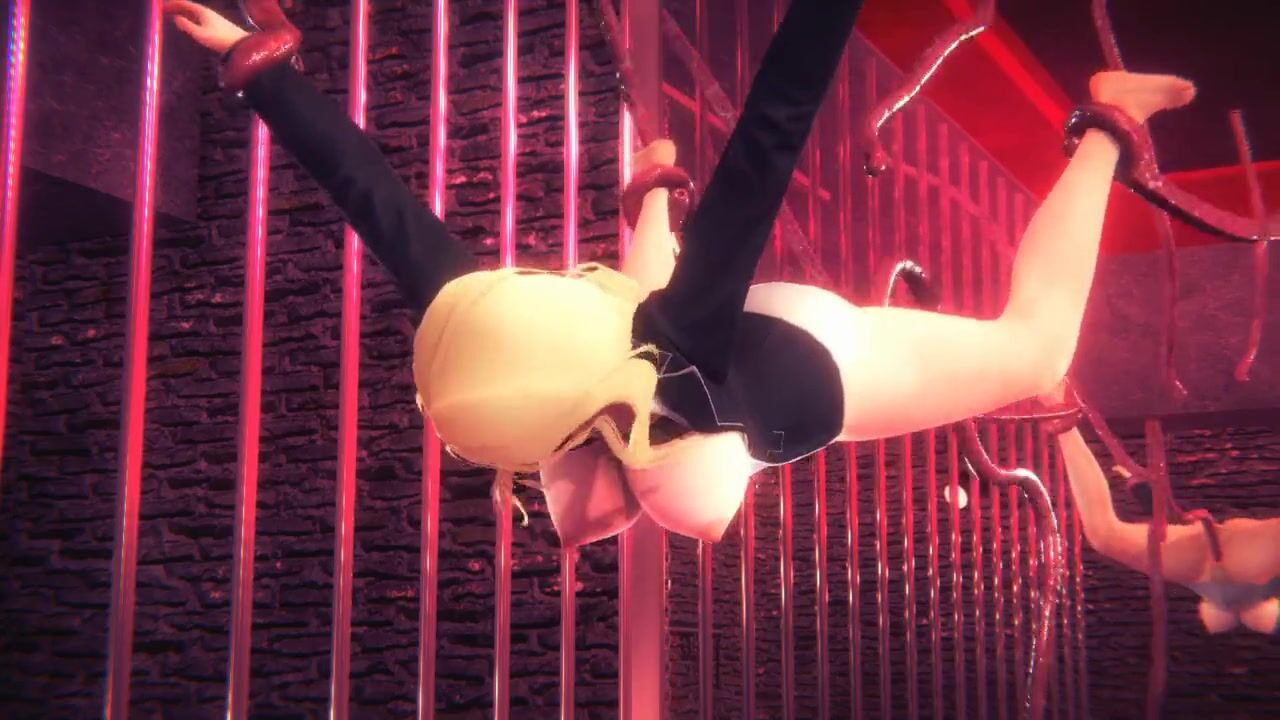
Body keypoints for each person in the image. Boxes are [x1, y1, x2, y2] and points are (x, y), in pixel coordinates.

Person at [165, 0, 1197, 546]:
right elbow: (376, 203)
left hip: (799, 361)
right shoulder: (539, 331)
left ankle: (1108, 121)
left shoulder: (573, 396)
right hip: (716, 347)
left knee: (1034, 351)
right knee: (658, 339)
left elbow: (373, 201)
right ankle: (651, 195)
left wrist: (259, 70)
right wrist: (260, 67)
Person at [1041, 381, 1279, 634]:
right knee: (1105, 535)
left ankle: (1060, 416)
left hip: (1218, 572)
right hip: (1233, 560)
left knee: (1104, 536)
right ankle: (1059, 411)